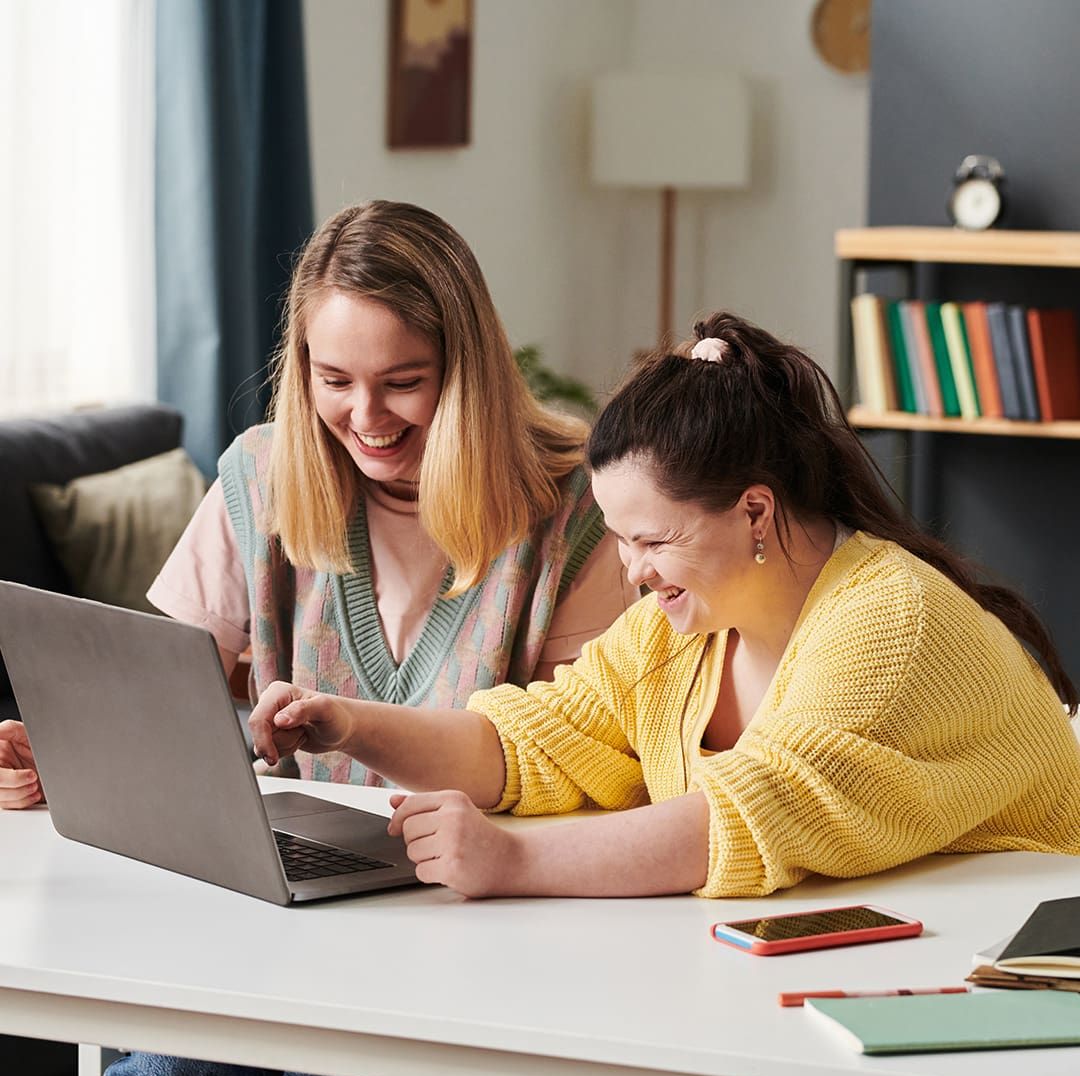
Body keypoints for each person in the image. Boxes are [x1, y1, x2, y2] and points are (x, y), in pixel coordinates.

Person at [243, 309, 1080, 902]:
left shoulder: (888, 621)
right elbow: (532, 746)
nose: (633, 571)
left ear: (755, 511)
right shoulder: (677, 630)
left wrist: (510, 863)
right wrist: (349, 725)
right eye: (619, 538)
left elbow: (741, 820)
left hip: (1005, 968)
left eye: (652, 540)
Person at [0, 201, 636, 797]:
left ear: (465, 372)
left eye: (403, 382)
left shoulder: (574, 507)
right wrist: (70, 755)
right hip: (298, 857)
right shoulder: (260, 476)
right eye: (334, 380)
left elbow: (569, 757)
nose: (366, 416)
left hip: (485, 862)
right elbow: (166, 702)